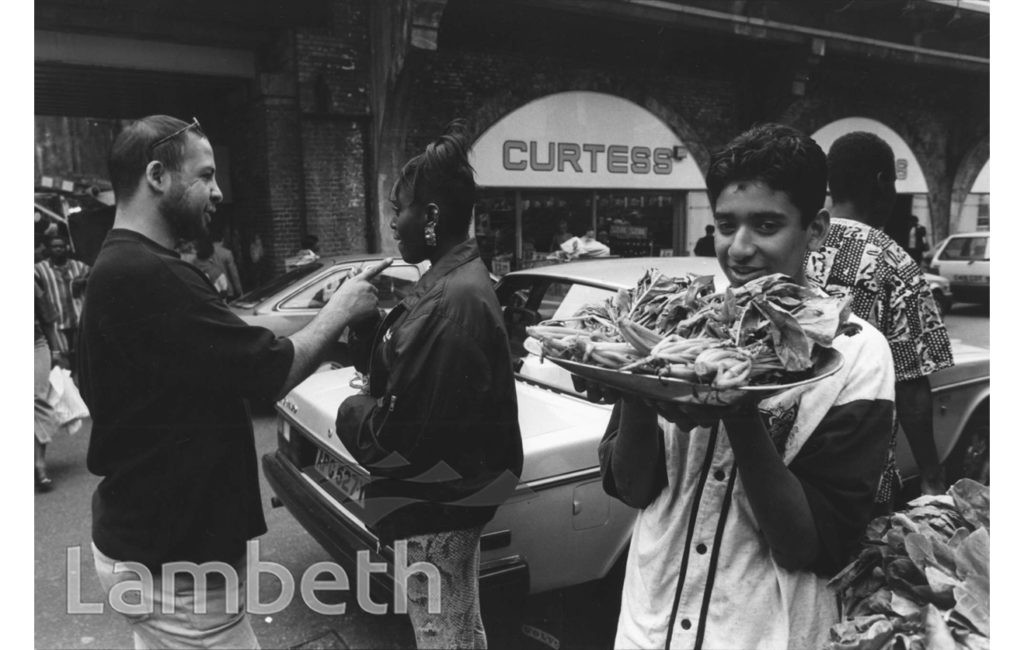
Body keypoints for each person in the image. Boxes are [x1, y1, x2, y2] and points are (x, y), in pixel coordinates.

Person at [77, 114, 388, 650]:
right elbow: (270, 372)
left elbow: (214, 335)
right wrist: (338, 309)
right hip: (179, 570)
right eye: (205, 175)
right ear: (157, 175)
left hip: (140, 547)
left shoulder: (119, 267)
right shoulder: (154, 276)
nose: (218, 191)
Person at [588, 124, 895, 649]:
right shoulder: (675, 321)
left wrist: (740, 408)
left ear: (816, 229)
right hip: (651, 623)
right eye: (726, 225)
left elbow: (805, 544)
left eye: (767, 225)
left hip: (762, 632)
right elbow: (635, 489)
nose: (740, 248)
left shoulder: (855, 353)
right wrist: (637, 382)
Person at [336, 120, 523, 649]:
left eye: (400, 210)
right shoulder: (452, 282)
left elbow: (398, 438)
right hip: (448, 498)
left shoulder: (449, 301)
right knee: (461, 629)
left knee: (444, 635)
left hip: (436, 505)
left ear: (433, 215)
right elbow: (410, 379)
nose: (394, 223)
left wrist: (350, 411)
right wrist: (366, 324)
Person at [806, 131, 954, 497]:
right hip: (857, 476)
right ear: (881, 182)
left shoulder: (796, 241)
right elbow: (912, 384)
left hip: (780, 458)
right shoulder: (896, 265)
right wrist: (931, 475)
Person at [34, 234, 90, 367]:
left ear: (67, 247)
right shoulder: (39, 269)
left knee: (83, 360)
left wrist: (85, 281)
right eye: (54, 246)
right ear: (49, 249)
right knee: (63, 366)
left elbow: (96, 275)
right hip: (56, 324)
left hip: (79, 321)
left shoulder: (79, 266)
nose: (58, 249)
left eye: (61, 246)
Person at [35, 277, 61, 492]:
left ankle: (40, 465)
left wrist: (55, 350)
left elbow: (47, 317)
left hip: (34, 345)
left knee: (35, 400)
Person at [211, 223, 243, 298]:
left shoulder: (206, 253)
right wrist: (239, 291)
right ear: (222, 239)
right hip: (227, 289)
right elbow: (234, 274)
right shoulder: (226, 253)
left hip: (214, 290)